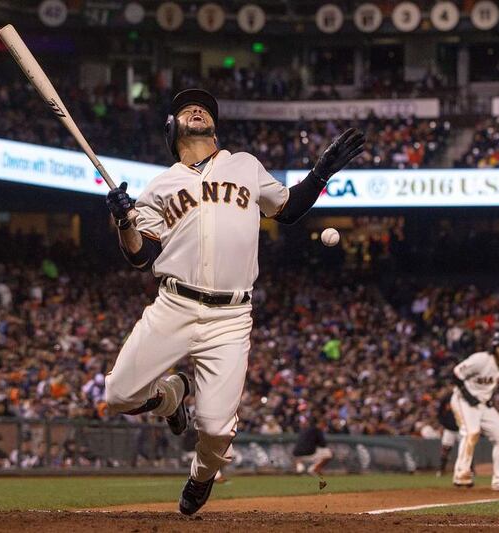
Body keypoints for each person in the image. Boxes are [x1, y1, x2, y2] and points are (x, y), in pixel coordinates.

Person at [104, 88, 363, 515]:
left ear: (215, 128)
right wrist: (122, 220)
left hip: (230, 314)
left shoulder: (243, 165)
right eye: (186, 108)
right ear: (172, 128)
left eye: (203, 107)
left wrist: (321, 173)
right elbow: (138, 255)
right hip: (174, 304)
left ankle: (202, 475)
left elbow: (288, 208)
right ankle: (171, 397)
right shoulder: (161, 185)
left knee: (216, 429)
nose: (196, 108)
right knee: (117, 396)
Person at [450, 330, 499, 491]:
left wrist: (487, 398)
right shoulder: (481, 359)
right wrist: (468, 395)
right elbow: (456, 373)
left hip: (483, 404)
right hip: (463, 400)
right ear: (494, 346)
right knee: (471, 432)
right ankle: (461, 475)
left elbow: (493, 386)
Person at [292, 414, 333, 490]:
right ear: (320, 423)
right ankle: (313, 469)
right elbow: (323, 444)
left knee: (300, 454)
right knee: (328, 453)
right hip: (308, 454)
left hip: (296, 455)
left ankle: (299, 467)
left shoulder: (303, 429)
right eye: (323, 424)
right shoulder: (317, 429)